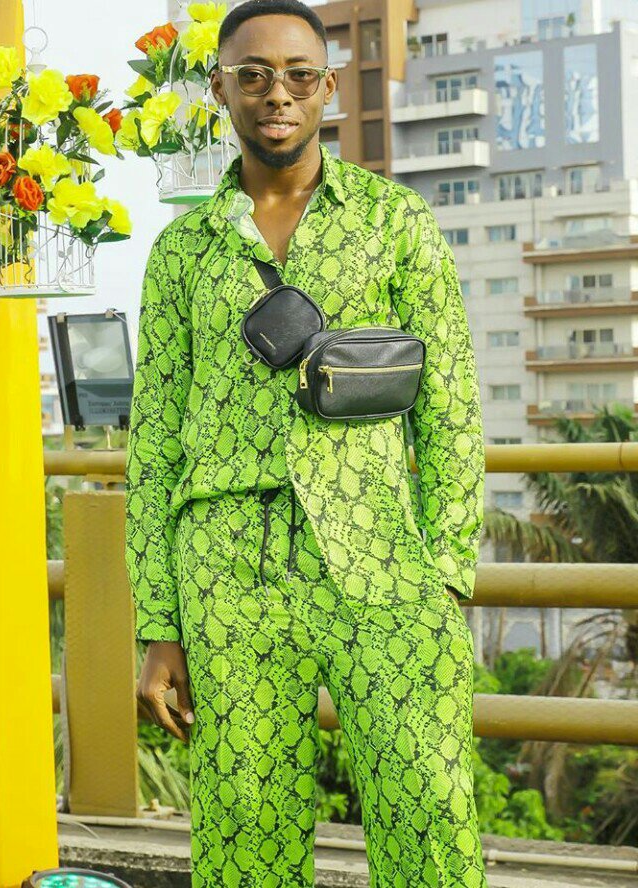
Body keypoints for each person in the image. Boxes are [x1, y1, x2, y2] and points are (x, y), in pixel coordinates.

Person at [125, 0, 487, 885]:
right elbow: (155, 441)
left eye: (296, 75)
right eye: (251, 75)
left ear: (327, 87)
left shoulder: (395, 221)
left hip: (382, 559)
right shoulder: (181, 252)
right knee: (245, 829)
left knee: (428, 813)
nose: (275, 94)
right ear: (220, 90)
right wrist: (161, 625)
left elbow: (451, 405)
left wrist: (445, 569)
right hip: (226, 570)